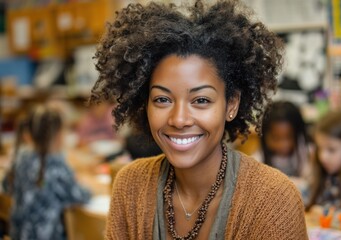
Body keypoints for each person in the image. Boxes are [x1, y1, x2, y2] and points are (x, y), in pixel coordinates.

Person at [90, 0, 308, 239]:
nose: (179, 119)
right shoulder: (130, 185)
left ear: (231, 104)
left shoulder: (273, 199)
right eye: (162, 100)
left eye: (201, 100)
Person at [2, 105, 91, 240]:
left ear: (29, 134)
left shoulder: (21, 157)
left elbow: (6, 186)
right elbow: (80, 195)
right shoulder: (56, 166)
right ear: (58, 135)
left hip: (17, 234)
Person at [306, 110, 341, 212]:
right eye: (319, 148)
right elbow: (307, 195)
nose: (323, 156)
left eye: (331, 150)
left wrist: (324, 213)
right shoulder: (324, 173)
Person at [255, 100, 311, 178]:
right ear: (264, 136)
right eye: (276, 138)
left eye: (289, 137)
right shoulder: (258, 160)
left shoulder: (305, 153)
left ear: (298, 134)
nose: (283, 144)